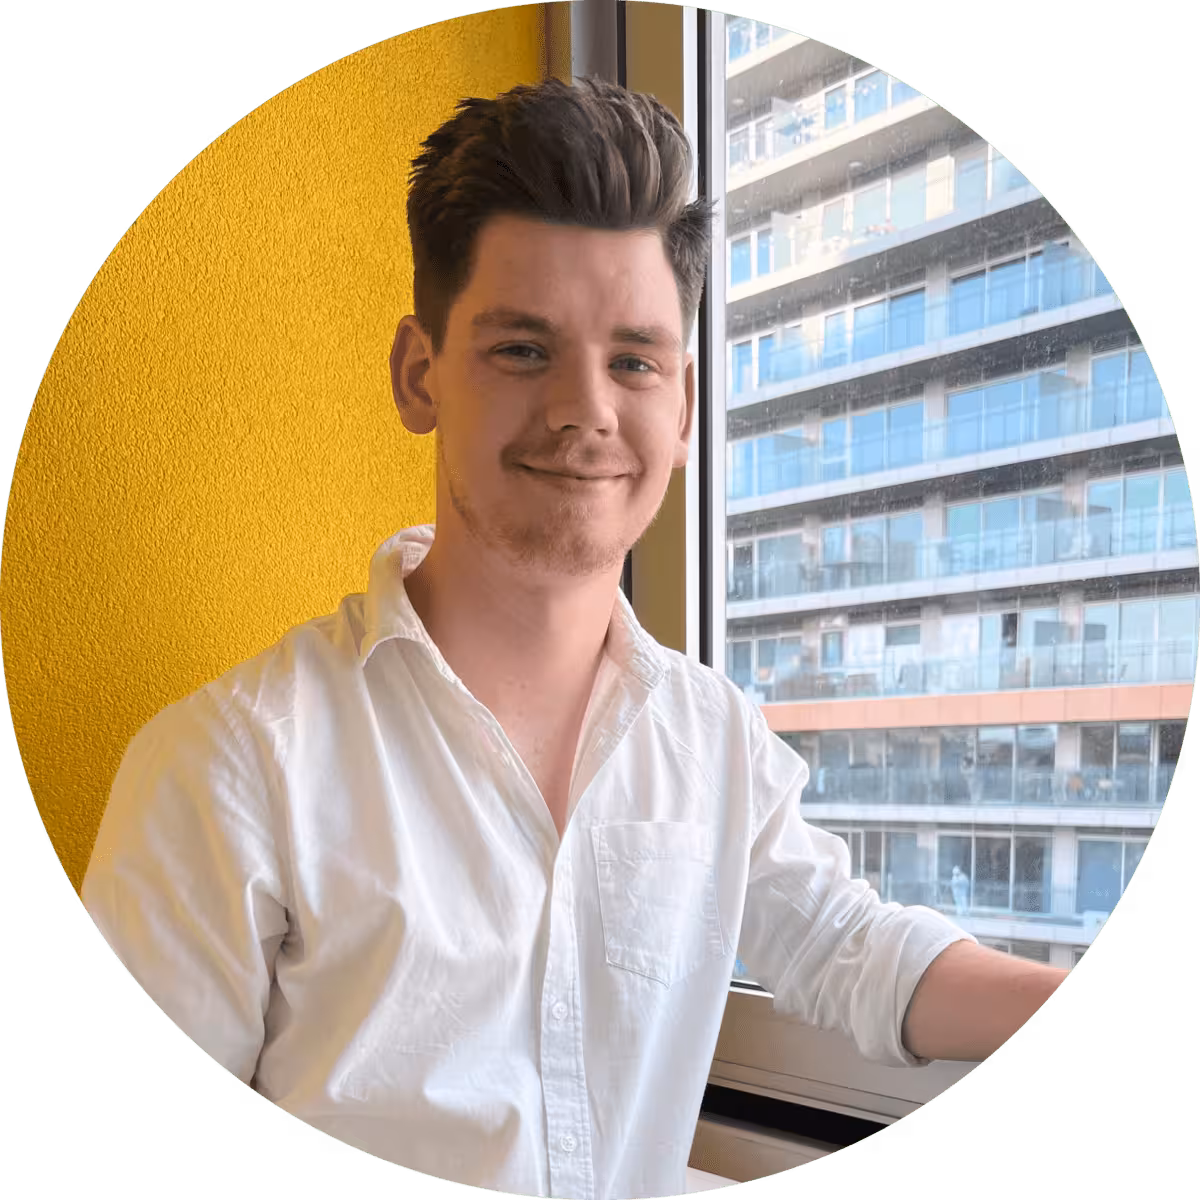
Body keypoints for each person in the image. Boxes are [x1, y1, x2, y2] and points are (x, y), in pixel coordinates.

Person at [81, 78, 1068, 1200]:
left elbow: (852, 949)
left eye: (634, 361)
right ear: (419, 374)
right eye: (521, 349)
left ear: (683, 406)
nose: (584, 409)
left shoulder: (711, 736)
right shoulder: (227, 766)